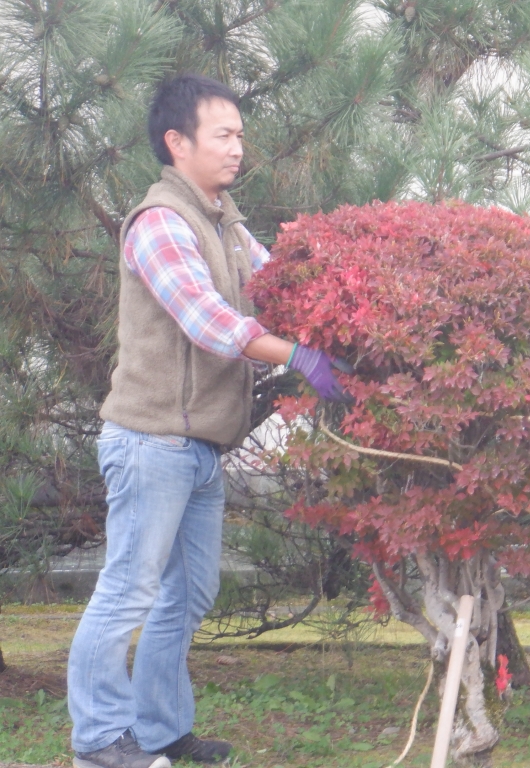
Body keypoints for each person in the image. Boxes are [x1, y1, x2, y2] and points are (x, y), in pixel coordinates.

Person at [67, 74, 349, 768]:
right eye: (223, 134)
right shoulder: (160, 222)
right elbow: (207, 319)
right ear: (177, 141)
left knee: (189, 593)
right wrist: (300, 358)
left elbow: (275, 282)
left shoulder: (226, 223)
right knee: (129, 588)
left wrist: (347, 316)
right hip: (150, 441)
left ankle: (160, 730)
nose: (237, 148)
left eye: (240, 135)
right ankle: (101, 739)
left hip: (198, 449)